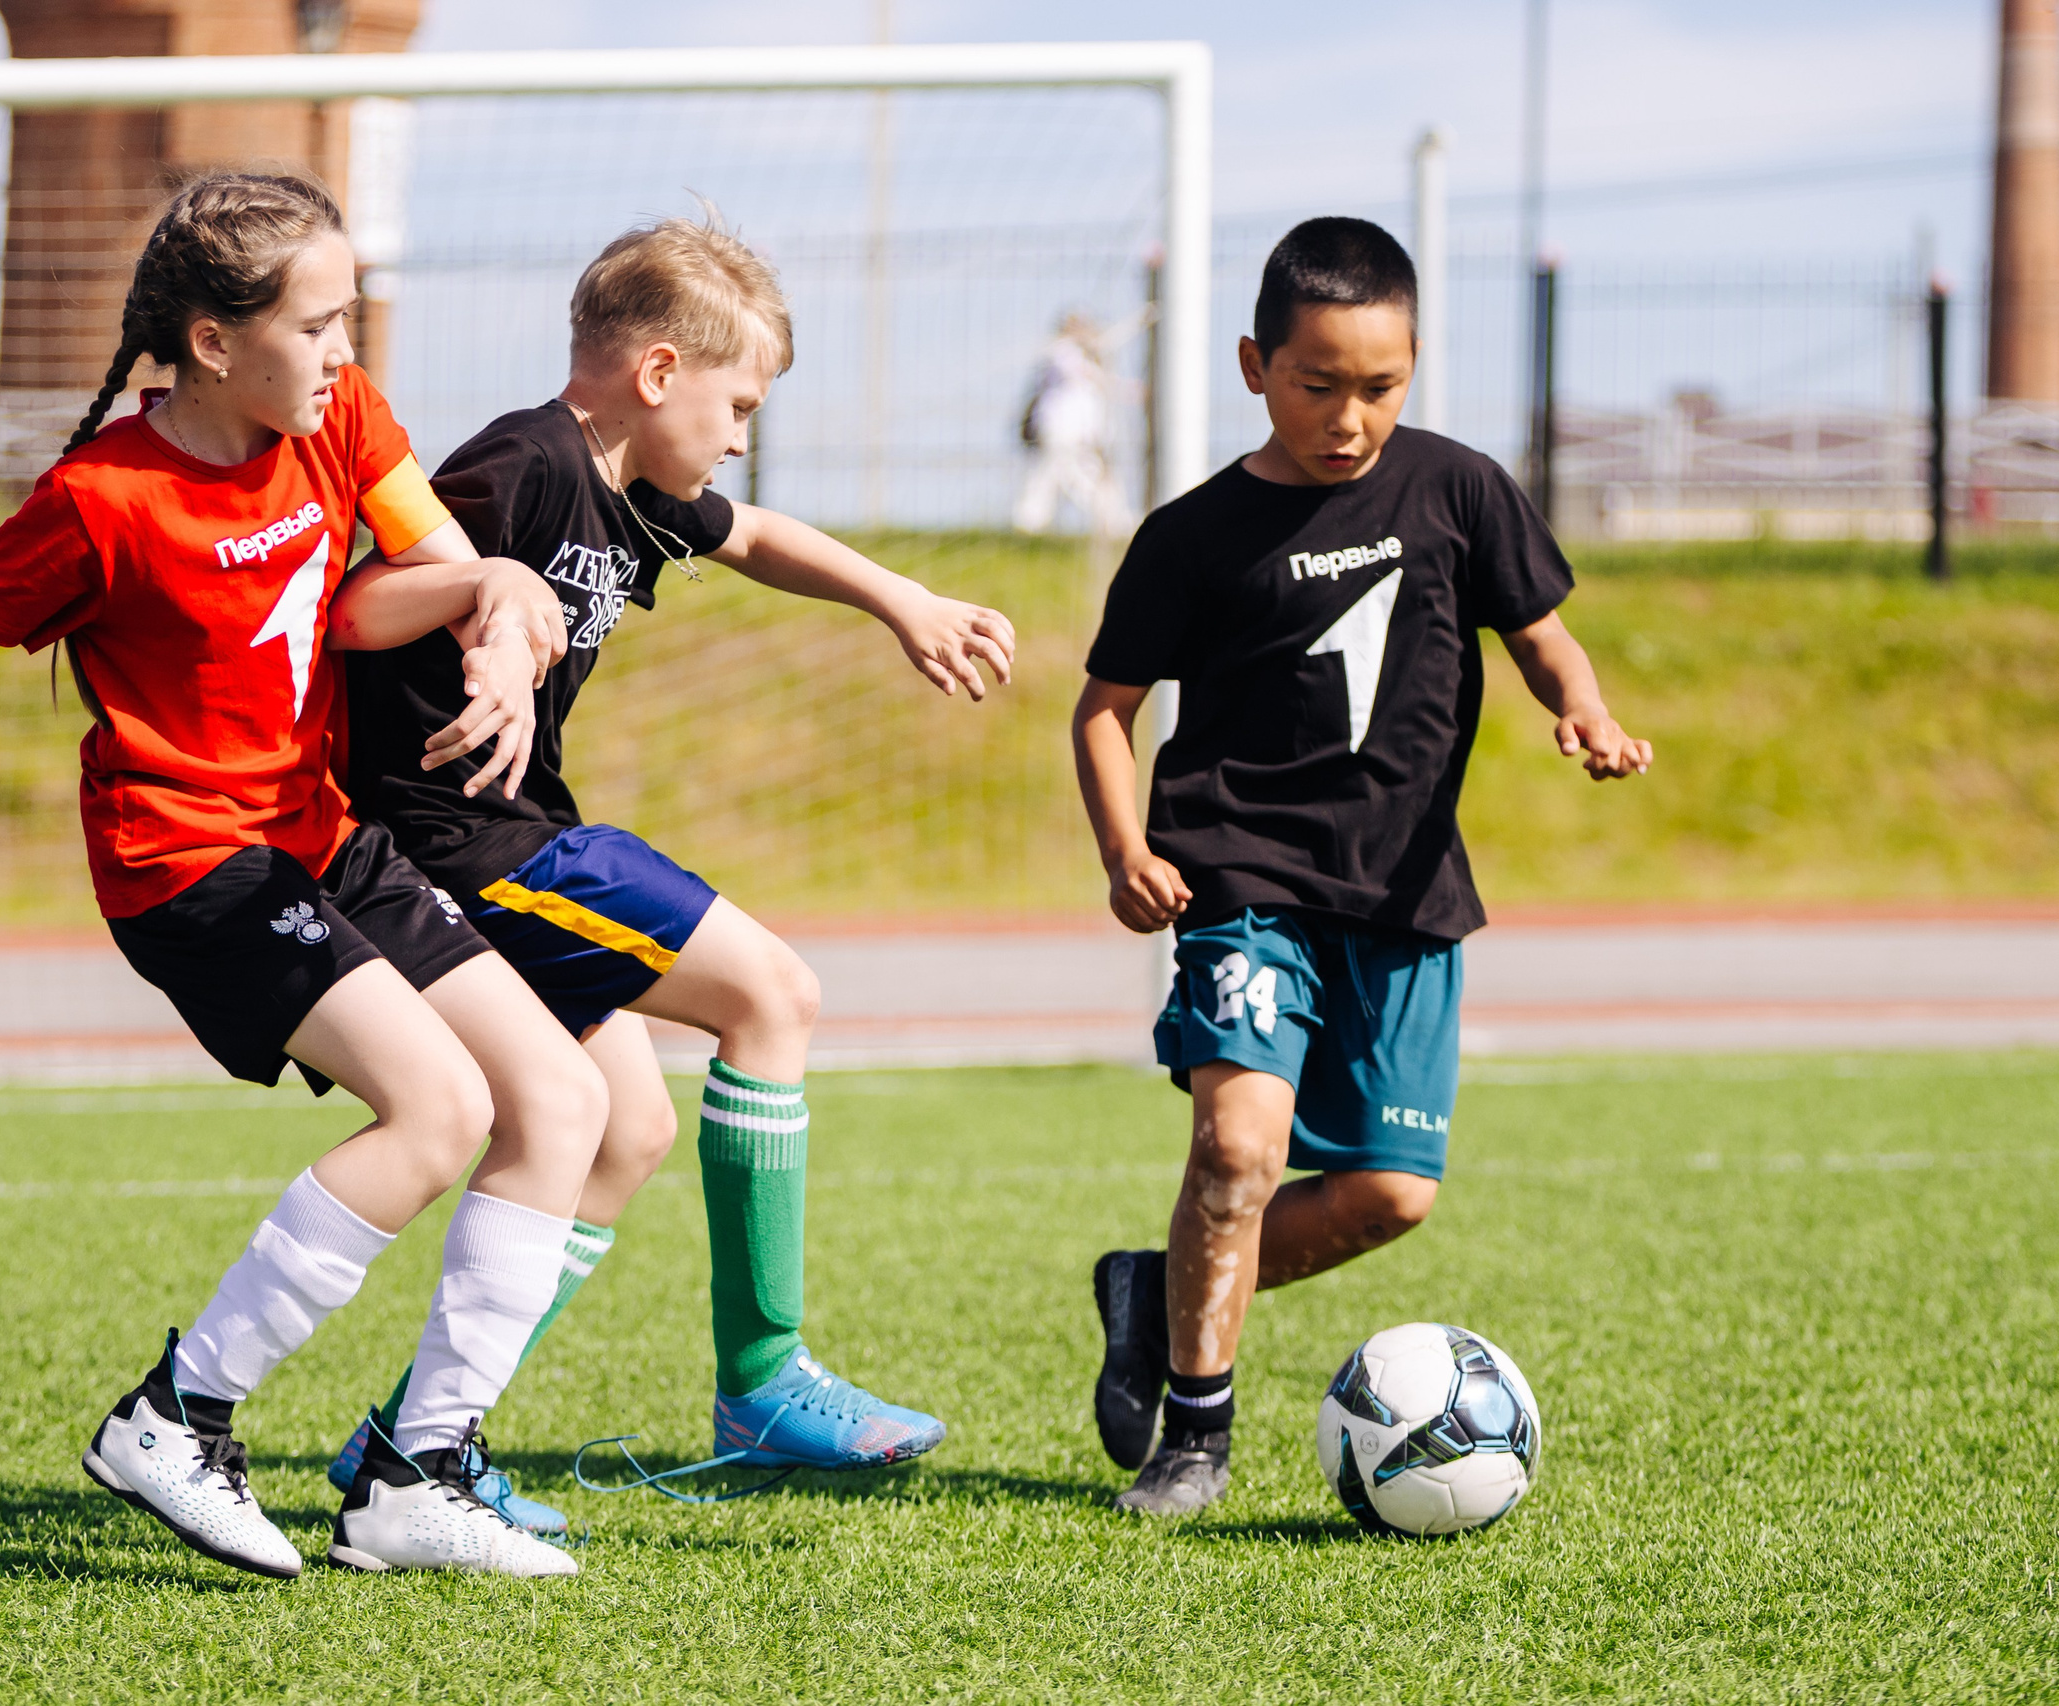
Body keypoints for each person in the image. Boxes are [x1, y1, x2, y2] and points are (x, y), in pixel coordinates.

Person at [0, 173, 604, 1580]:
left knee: (564, 1095)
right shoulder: (100, 500)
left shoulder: (336, 414)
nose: (349, 347)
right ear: (217, 342)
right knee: (439, 1104)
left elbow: (429, 562)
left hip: (320, 828)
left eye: (352, 315)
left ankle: (422, 1472)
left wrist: (496, 599)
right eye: (320, 320)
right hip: (187, 859)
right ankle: (178, 1415)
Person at [326, 209, 1016, 1525]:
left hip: (521, 836)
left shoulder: (633, 489)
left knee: (627, 1129)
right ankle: (761, 1372)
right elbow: (366, 605)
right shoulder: (521, 462)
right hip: (461, 845)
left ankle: (412, 1442)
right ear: (657, 374)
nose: (743, 431)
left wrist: (901, 600)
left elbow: (753, 534)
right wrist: (490, 592)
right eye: (739, 399)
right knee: (774, 994)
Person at [1070, 217, 1652, 1517]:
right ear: (1253, 365)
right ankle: (1197, 1438)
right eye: (1316, 383)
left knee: (1392, 1192)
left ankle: (1141, 1290)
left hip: (1404, 900)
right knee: (1238, 1147)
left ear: (1415, 363)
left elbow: (1543, 634)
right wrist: (1125, 851)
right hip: (1243, 889)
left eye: (1379, 386)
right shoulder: (1193, 534)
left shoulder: (1457, 488)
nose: (1347, 416)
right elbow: (1103, 710)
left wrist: (1587, 710)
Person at [1013, 309, 1138, 538]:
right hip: (1060, 430)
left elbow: (1099, 379)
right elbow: (1088, 374)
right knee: (1066, 476)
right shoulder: (1060, 352)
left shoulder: (1081, 355)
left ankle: (1030, 521)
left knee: (1052, 476)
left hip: (1079, 433)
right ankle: (1114, 521)